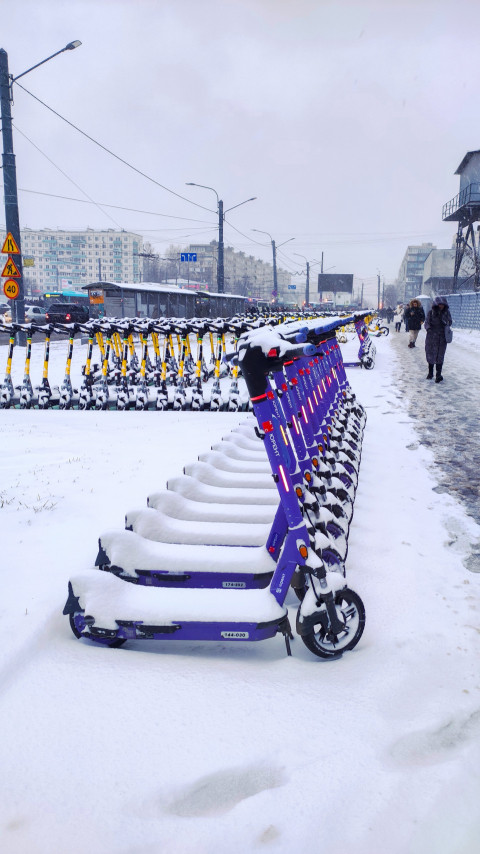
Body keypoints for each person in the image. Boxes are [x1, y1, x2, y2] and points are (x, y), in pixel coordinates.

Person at [424, 296, 453, 383]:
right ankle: (430, 373)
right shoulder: (431, 312)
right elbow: (427, 322)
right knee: (431, 354)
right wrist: (429, 329)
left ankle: (438, 375)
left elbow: (450, 322)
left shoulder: (447, 313)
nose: (441, 306)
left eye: (443, 304)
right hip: (432, 337)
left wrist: (445, 321)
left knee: (440, 356)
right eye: (439, 304)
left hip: (442, 338)